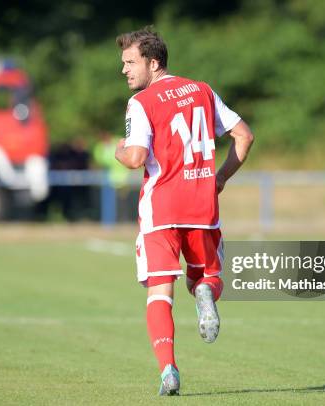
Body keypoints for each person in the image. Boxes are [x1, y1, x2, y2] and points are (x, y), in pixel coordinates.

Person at [114, 27, 254, 396]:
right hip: (202, 203)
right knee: (208, 277)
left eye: (130, 62)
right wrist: (220, 178)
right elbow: (244, 135)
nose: (125, 70)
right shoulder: (202, 91)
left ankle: (168, 371)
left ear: (153, 62)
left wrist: (118, 149)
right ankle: (205, 290)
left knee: (160, 292)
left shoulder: (142, 102)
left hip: (161, 208)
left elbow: (136, 157)